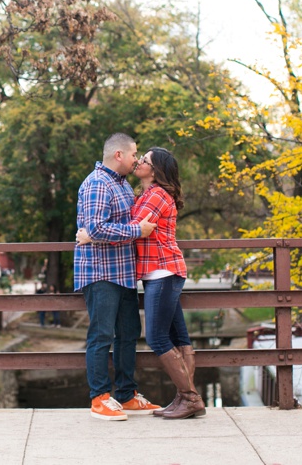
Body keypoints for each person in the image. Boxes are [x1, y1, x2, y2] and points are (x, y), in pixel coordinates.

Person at [78, 147, 205, 419]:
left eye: (144, 159)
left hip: (162, 271)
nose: (139, 161)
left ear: (156, 170)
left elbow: (136, 228)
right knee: (178, 337)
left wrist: (93, 236)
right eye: (138, 156)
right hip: (157, 272)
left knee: (159, 338)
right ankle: (187, 398)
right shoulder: (143, 193)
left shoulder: (155, 195)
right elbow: (132, 226)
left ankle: (190, 398)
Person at [75, 132, 160, 421]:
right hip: (101, 273)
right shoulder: (97, 183)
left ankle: (126, 395)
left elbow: (100, 230)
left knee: (128, 335)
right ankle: (99, 398)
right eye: (135, 154)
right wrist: (137, 231)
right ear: (119, 155)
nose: (137, 159)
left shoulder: (122, 185)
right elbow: (96, 228)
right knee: (101, 336)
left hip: (124, 272)